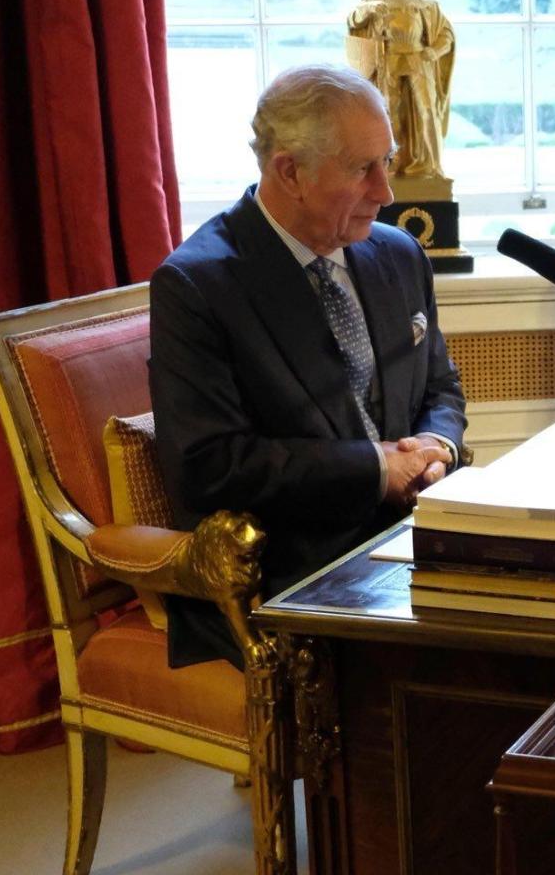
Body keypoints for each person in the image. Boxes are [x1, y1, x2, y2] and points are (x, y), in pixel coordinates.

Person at [150, 64, 466, 668]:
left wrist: (437, 449)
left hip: (412, 536)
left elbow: (441, 387)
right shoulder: (200, 283)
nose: (387, 191)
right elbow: (209, 466)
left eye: (387, 162)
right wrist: (376, 469)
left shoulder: (397, 254)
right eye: (361, 169)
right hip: (288, 570)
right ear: (289, 171)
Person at [347, 0, 454, 183]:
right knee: (389, 112)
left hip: (419, 59)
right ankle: (390, 165)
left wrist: (434, 52)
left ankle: (431, 166)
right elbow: (354, 19)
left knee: (427, 110)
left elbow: (445, 33)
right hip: (389, 61)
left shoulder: (423, 0)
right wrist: (370, 9)